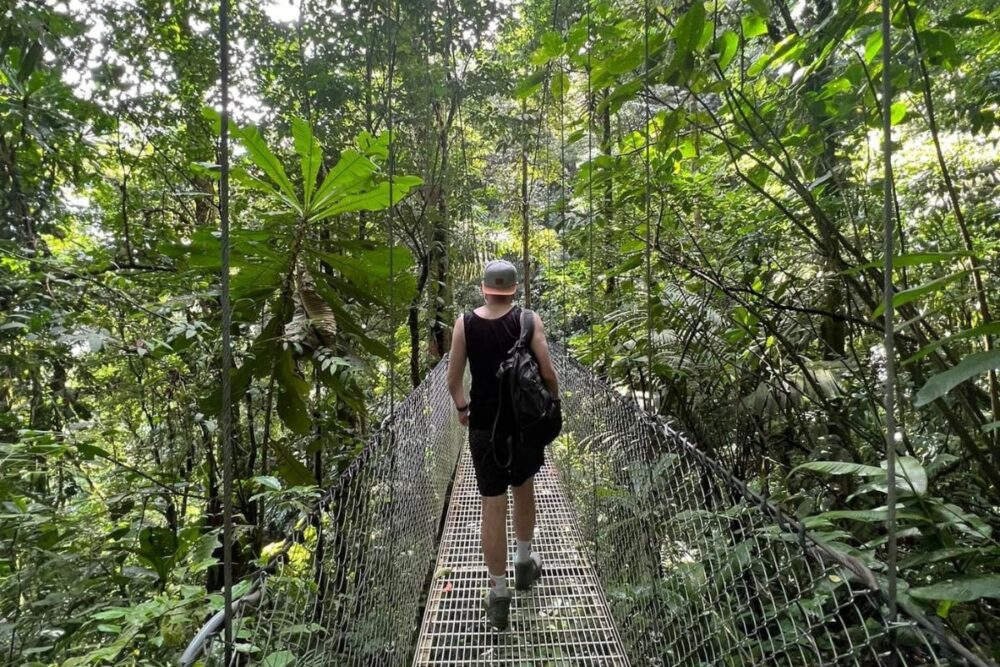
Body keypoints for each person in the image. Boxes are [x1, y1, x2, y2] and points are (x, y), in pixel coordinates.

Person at [446, 259, 560, 630]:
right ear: (514, 290)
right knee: (524, 488)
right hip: (524, 425)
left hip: (484, 429)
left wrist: (464, 408)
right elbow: (547, 373)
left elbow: (452, 380)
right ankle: (524, 563)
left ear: (483, 287)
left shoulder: (465, 323)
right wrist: (551, 405)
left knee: (491, 505)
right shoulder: (529, 320)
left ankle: (498, 593)